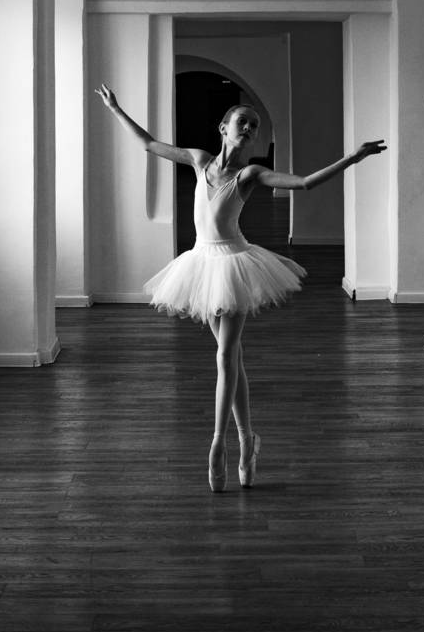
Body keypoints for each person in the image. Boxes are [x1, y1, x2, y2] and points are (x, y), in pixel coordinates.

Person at [95, 83, 386, 493]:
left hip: (233, 264)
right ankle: (248, 440)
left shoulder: (249, 175)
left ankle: (218, 444)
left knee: (225, 355)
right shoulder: (199, 160)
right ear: (224, 128)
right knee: (232, 359)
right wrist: (115, 109)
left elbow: (304, 183)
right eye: (243, 122)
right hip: (201, 263)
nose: (249, 129)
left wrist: (352, 158)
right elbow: (148, 144)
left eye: (254, 126)